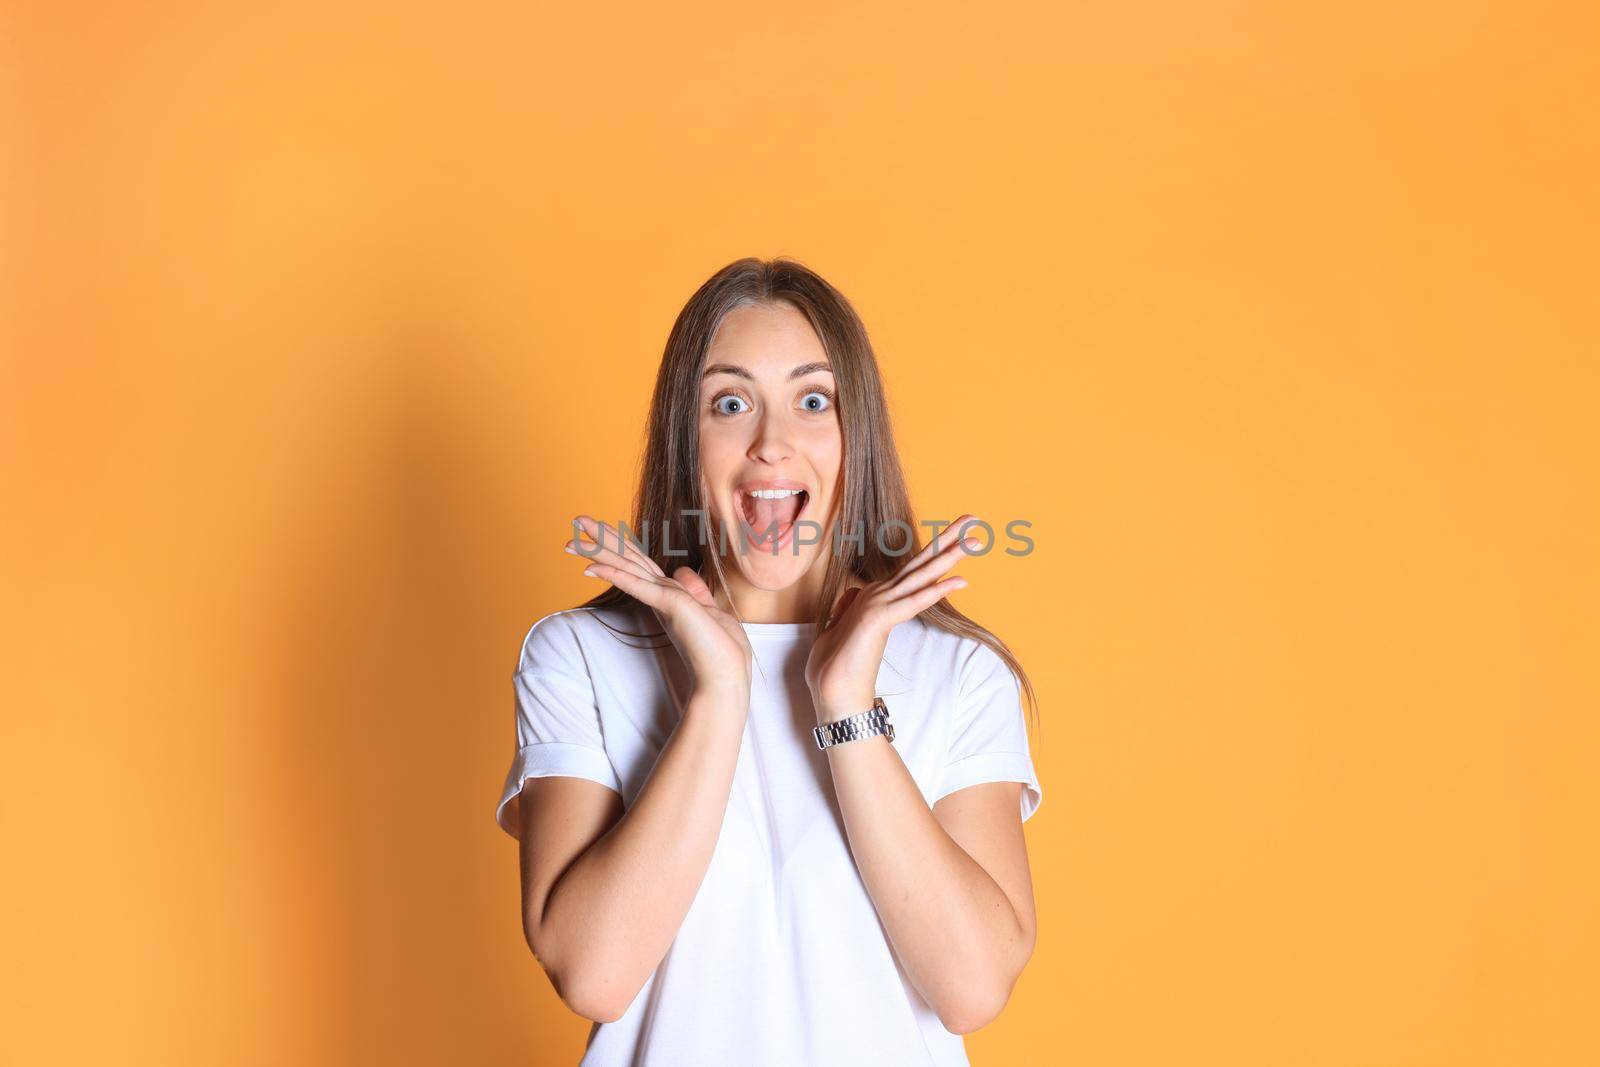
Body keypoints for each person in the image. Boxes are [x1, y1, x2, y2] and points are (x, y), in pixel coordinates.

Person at [494, 256, 1043, 1066]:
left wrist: (846, 699)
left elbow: (970, 986)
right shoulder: (580, 656)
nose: (772, 444)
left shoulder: (958, 672)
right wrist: (720, 692)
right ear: (690, 440)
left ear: (857, 434)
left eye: (812, 401)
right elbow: (595, 974)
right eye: (730, 403)